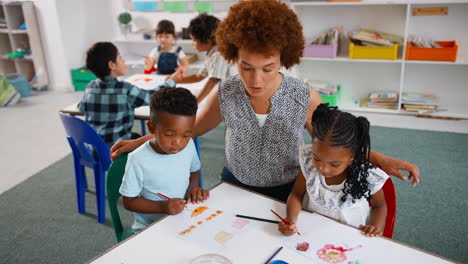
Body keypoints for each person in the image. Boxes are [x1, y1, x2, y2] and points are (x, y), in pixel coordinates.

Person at [111, 0, 419, 202]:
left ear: (284, 59)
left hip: (287, 190)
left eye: (267, 69)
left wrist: (382, 160)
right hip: (234, 185)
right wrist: (143, 140)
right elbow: (190, 129)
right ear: (233, 57)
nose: (255, 80)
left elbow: (337, 141)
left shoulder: (302, 95)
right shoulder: (226, 91)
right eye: (245, 67)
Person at [279, 104, 388, 237]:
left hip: (351, 235)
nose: (323, 168)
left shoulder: (365, 174)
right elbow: (296, 194)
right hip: (312, 232)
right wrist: (291, 219)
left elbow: (380, 206)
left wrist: (374, 227)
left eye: (334, 164)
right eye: (317, 158)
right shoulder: (308, 163)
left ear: (352, 157)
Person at [119, 87, 210, 232]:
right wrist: (162, 206)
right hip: (149, 229)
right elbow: (129, 201)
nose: (178, 143)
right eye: (169, 134)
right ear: (151, 128)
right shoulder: (137, 159)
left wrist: (193, 188)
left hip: (183, 220)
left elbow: (194, 170)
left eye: (185, 135)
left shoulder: (189, 145)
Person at [78, 42, 178, 146]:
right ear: (112, 65)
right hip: (118, 150)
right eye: (120, 57)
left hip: (95, 151)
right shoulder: (124, 89)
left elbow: (81, 108)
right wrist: (171, 81)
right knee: (149, 141)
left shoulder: (89, 87)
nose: (123, 61)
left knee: (136, 136)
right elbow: (154, 96)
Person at [170, 13, 231, 103]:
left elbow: (213, 81)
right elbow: (199, 76)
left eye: (194, 40)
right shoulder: (211, 53)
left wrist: (196, 102)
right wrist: (175, 80)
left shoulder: (218, 55)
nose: (192, 43)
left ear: (207, 41)